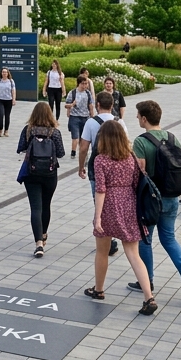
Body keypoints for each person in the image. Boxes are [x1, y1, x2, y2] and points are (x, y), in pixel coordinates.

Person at [85, 119, 158, 316]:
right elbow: (137, 182)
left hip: (109, 205)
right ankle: (148, 297)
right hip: (129, 204)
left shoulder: (101, 160)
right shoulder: (130, 157)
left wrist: (97, 217)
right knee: (133, 253)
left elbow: (100, 190)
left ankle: (99, 290)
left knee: (102, 251)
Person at [130, 101, 181, 303]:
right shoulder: (172, 138)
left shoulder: (141, 142)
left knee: (145, 239)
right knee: (168, 238)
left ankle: (147, 281)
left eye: (138, 115)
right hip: (171, 197)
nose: (136, 118)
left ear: (144, 118)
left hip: (151, 199)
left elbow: (139, 172)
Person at [17, 103, 65, 257]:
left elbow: (21, 147)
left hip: (32, 173)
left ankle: (38, 244)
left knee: (35, 207)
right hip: (50, 174)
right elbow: (61, 153)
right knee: (46, 205)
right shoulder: (54, 132)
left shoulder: (28, 130)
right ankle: (44, 234)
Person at [77, 89, 119, 258]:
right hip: (116, 170)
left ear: (98, 105)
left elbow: (84, 148)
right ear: (112, 105)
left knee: (99, 204)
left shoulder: (91, 123)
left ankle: (106, 240)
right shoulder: (119, 122)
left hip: (97, 168)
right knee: (113, 203)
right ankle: (112, 238)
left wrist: (81, 167)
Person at [65, 77, 96, 156]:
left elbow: (90, 105)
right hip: (74, 117)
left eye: (86, 84)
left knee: (83, 137)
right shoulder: (72, 93)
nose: (84, 85)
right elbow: (66, 105)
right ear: (78, 83)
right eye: (83, 83)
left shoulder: (88, 93)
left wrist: (92, 116)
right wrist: (72, 105)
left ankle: (82, 151)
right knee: (75, 136)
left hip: (85, 117)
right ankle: (73, 152)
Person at [0, 68, 16, 137]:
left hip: (8, 100)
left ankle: (6, 130)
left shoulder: (11, 81)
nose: (4, 73)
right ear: (1, 73)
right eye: (3, 72)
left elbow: (13, 91)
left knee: (7, 115)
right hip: (0, 99)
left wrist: (14, 99)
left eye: (5, 72)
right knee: (0, 114)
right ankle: (0, 130)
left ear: (8, 73)